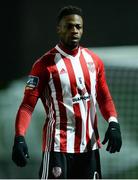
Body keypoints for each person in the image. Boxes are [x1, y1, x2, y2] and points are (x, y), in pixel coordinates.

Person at [12, 5, 122, 179]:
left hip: (89, 147)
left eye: (78, 26)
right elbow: (27, 105)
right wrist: (19, 136)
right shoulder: (43, 65)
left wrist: (113, 122)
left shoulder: (94, 61)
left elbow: (104, 97)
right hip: (58, 147)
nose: (74, 30)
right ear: (59, 29)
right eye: (69, 26)